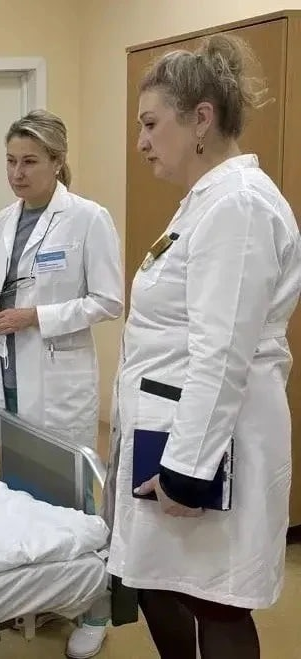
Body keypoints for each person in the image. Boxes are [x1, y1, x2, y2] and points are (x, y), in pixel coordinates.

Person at [104, 33, 301, 659]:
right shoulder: (204, 203)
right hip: (174, 424)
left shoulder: (238, 207)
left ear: (201, 120)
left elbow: (222, 353)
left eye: (150, 124)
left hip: (215, 440)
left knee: (215, 599)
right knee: (158, 580)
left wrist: (188, 471)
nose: (141, 142)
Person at [0, 109, 123, 658]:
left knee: (71, 495)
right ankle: (43, 589)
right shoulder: (2, 220)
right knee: (22, 488)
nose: (17, 172)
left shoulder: (88, 219)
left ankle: (95, 607)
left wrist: (37, 317)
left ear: (57, 162)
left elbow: (108, 300)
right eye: (10, 161)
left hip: (56, 375)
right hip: (7, 372)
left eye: (29, 161)